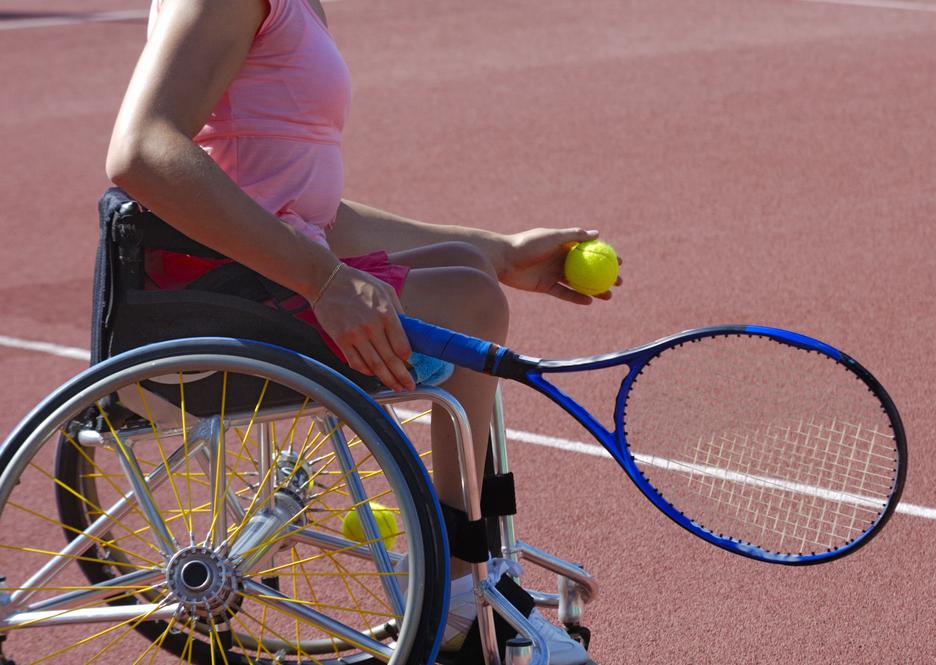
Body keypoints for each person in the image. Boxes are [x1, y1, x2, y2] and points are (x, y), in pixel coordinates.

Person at [106, 1, 618, 661]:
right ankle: (462, 595)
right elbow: (141, 150)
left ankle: (470, 582)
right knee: (468, 300)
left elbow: (312, 211)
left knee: (469, 280)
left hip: (253, 283)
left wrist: (498, 250)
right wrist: (323, 282)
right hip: (225, 302)